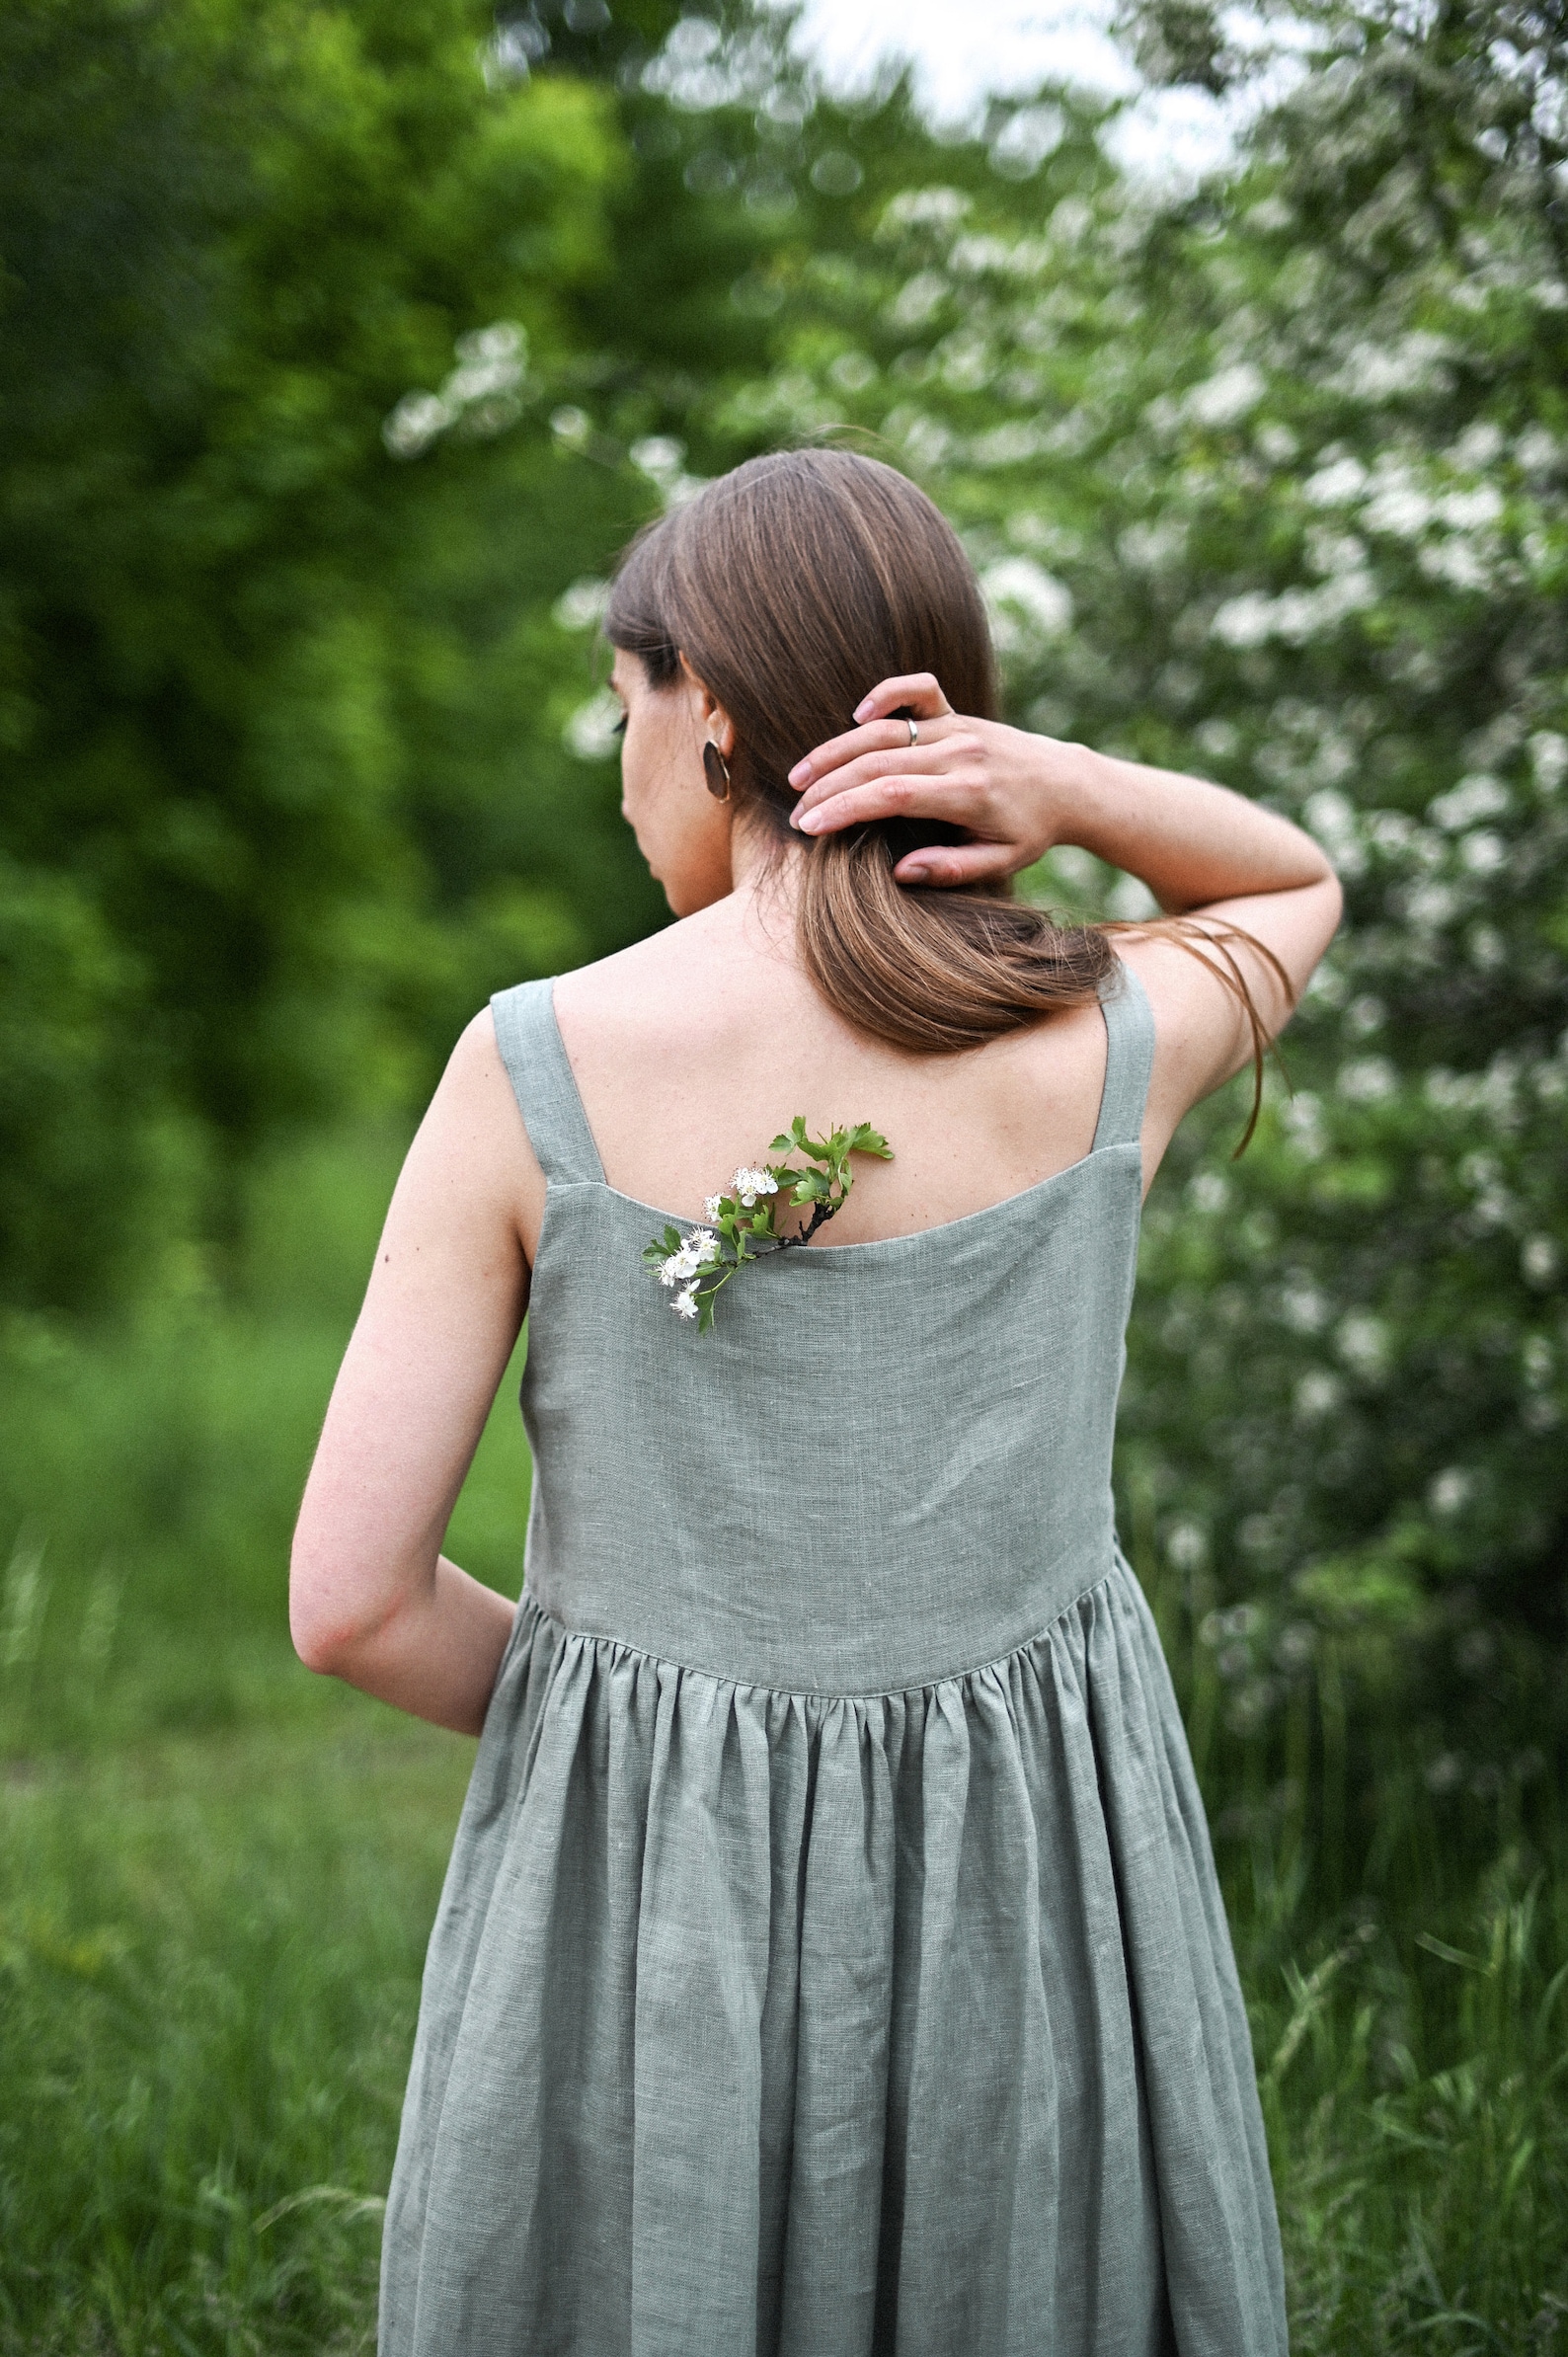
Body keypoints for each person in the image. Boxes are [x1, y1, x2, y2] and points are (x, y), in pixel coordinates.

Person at [290, 448, 1340, 2356]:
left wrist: (637, 1722)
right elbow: (1293, 878)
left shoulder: (531, 1063)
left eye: (625, 711)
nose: (618, 770)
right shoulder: (1109, 1027)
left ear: (709, 716)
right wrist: (1068, 790)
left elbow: (351, 1600)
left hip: (649, 1902)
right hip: (1037, 1878)